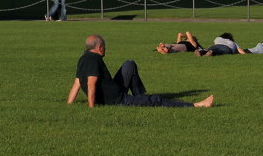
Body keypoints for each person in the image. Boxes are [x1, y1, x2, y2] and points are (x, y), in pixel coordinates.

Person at [68, 34, 213, 108]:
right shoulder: (95, 59)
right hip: (115, 99)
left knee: (129, 64)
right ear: (99, 48)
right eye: (104, 47)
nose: (105, 49)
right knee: (156, 100)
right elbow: (91, 83)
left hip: (114, 90)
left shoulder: (83, 58)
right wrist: (91, 107)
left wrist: (69, 104)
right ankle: (197, 105)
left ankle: (139, 96)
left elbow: (77, 84)